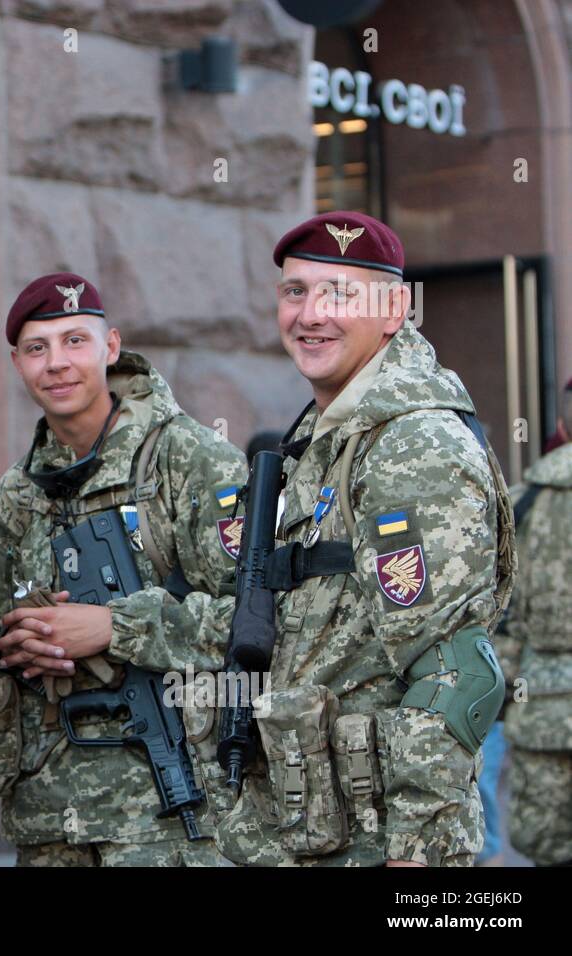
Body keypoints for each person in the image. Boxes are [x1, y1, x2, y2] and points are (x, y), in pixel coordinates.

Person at [205, 211, 511, 865]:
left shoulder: (412, 442)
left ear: (395, 307)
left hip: (380, 845)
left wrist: (416, 853)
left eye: (341, 293)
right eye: (296, 292)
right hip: (315, 828)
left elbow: (453, 673)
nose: (311, 314)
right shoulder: (332, 435)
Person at [0, 272, 247, 866]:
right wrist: (21, 642)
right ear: (16, 363)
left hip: (173, 820)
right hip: (50, 816)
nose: (57, 364)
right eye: (37, 349)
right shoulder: (19, 490)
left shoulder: (189, 459)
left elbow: (254, 622)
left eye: (75, 341)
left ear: (111, 347)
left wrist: (114, 628)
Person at [496, 385, 572, 867]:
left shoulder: (522, 501)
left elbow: (497, 613)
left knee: (547, 851)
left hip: (539, 712)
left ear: (562, 426)